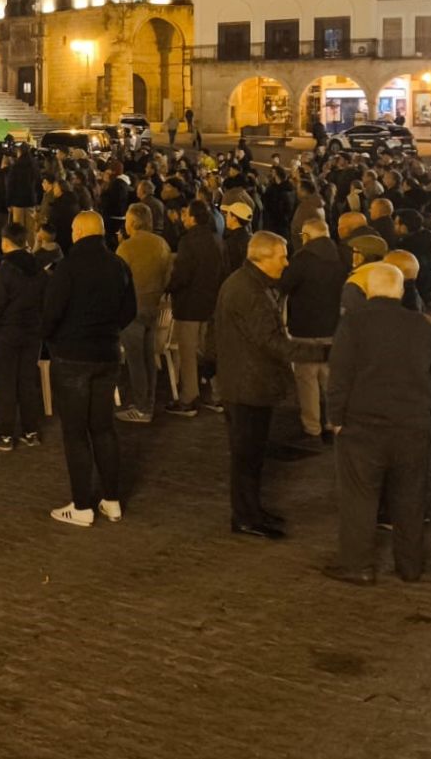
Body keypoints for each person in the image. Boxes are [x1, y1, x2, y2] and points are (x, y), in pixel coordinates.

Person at [324, 262, 431, 585]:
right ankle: (410, 565)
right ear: (400, 290)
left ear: (369, 290)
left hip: (363, 425)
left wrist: (335, 418)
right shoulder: (421, 326)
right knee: (410, 497)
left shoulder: (353, 323)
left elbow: (340, 374)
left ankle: (357, 565)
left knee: (359, 497)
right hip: (411, 424)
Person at [214, 231, 329, 539]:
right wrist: (324, 352)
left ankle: (251, 511)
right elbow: (273, 343)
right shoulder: (250, 291)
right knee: (246, 456)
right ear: (262, 258)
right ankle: (245, 517)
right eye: (282, 256)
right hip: (247, 386)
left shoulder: (249, 284)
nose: (287, 262)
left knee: (251, 454)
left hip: (247, 382)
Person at [40, 211, 135, 527]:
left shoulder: (67, 268)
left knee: (75, 432)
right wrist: (108, 330)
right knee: (104, 428)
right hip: (107, 355)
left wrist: (55, 339)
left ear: (78, 232)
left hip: (72, 357)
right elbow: (130, 310)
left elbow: (51, 313)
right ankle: (112, 499)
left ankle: (81, 505)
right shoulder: (118, 265)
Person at [0, 222, 47, 451]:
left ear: (5, 242)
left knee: (5, 383)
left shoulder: (5, 271)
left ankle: (5, 434)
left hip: (6, 333)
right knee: (27, 381)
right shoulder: (39, 268)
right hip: (32, 332)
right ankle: (31, 431)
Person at [280, 217, 346, 442]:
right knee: (331, 378)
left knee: (307, 379)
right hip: (334, 327)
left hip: (305, 328)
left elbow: (284, 285)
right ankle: (333, 423)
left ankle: (312, 427)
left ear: (307, 236)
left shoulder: (302, 259)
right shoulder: (342, 255)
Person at [114, 202, 172, 424]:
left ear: (132, 222)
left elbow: (119, 281)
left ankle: (141, 407)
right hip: (153, 307)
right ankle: (148, 403)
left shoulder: (126, 248)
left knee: (136, 360)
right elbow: (168, 276)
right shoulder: (162, 244)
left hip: (132, 309)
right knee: (149, 358)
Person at [165, 199, 224, 415]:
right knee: (208, 351)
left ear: (193, 217)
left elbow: (182, 274)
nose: (183, 218)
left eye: (186, 214)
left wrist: (169, 287)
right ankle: (217, 395)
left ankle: (189, 398)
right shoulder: (217, 240)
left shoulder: (188, 242)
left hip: (189, 305)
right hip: (210, 303)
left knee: (188, 354)